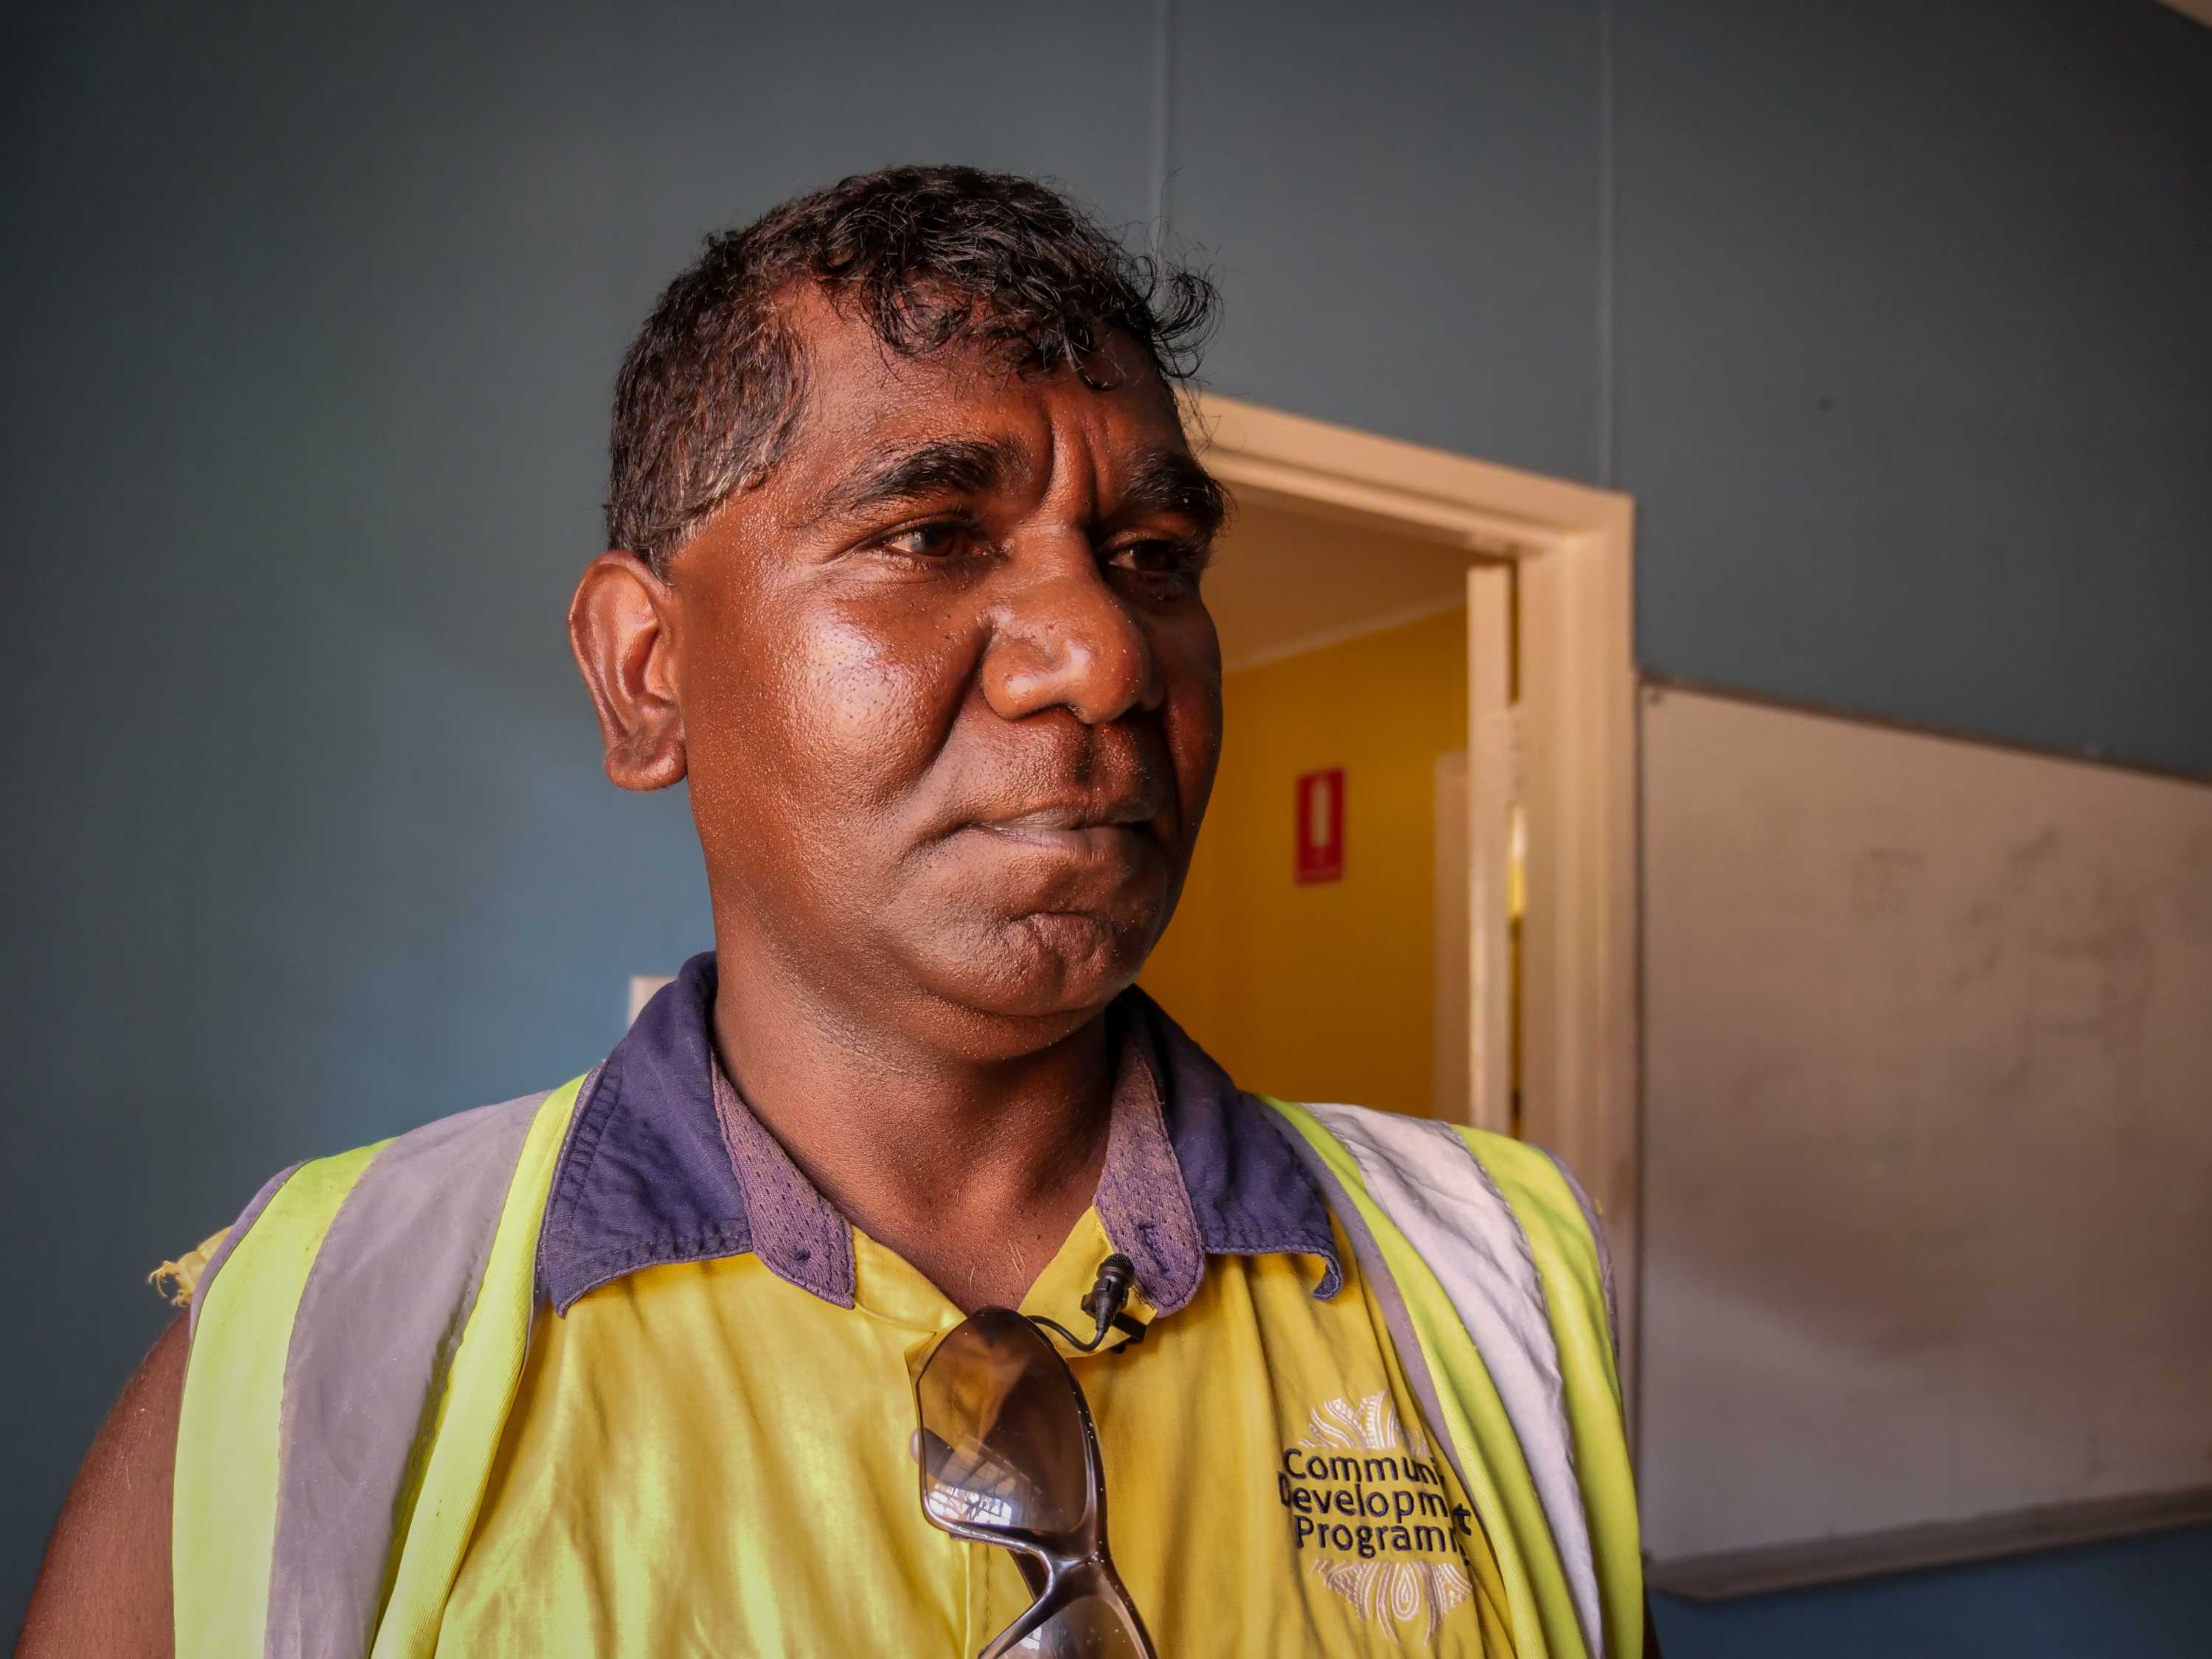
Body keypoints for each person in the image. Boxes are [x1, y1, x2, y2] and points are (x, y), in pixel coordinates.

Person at [18, 165, 1647, 1659]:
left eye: (1152, 556)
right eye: (930, 536)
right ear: (647, 675)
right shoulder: (323, 1330)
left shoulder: (1490, 1276)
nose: (1107, 653)